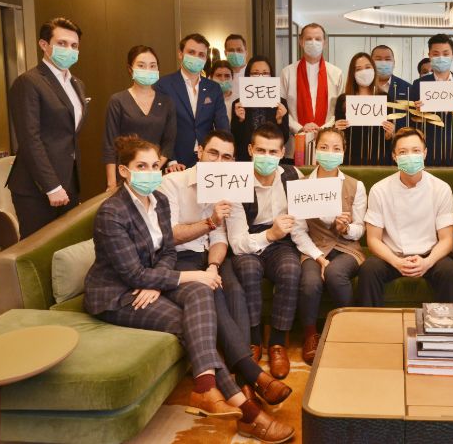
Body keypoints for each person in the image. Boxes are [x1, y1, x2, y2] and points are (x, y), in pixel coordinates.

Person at [83, 136, 293, 443]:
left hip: (150, 279)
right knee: (191, 322)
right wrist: (170, 277)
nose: (149, 173)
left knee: (200, 292)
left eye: (154, 166)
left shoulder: (157, 200)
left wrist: (161, 279)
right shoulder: (112, 212)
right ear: (124, 171)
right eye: (141, 166)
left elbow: (167, 250)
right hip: (117, 294)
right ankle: (246, 411)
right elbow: (131, 273)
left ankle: (208, 388)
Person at [158, 130, 295, 439]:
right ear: (199, 152)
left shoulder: (228, 184)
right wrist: (209, 221)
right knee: (215, 297)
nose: (219, 161)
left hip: (210, 258)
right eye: (213, 153)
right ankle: (252, 378)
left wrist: (213, 266)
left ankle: (246, 385)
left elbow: (221, 238)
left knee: (234, 291)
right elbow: (170, 235)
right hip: (177, 258)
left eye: (227, 157)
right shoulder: (173, 183)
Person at [226, 123, 303, 379]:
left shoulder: (293, 176)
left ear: (282, 152)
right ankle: (254, 338)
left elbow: (304, 218)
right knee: (248, 269)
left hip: (283, 242)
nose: (266, 157)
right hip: (250, 240)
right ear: (250, 150)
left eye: (272, 152)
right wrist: (269, 235)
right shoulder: (237, 182)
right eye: (260, 150)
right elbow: (237, 242)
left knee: (291, 269)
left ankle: (278, 342)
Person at [358, 127, 453, 306]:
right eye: (403, 152)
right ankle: (371, 322)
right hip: (392, 255)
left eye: (416, 151)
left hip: (430, 255)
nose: (410, 156)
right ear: (394, 156)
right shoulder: (379, 189)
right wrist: (397, 262)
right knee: (369, 269)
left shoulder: (441, 188)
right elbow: (373, 239)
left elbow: (446, 239)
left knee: (450, 272)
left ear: (425, 153)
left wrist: (427, 262)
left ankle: (449, 323)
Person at [8, 17, 88, 238]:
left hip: (69, 182)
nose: (69, 50)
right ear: (44, 45)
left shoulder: (77, 84)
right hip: (37, 187)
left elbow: (68, 135)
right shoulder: (29, 82)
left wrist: (68, 185)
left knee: (66, 247)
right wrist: (52, 186)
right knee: (38, 250)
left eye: (74, 45)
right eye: (62, 43)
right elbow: (29, 139)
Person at [293, 128, 366, 364]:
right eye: (324, 147)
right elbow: (298, 231)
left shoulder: (355, 185)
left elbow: (360, 229)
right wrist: (318, 257)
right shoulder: (302, 185)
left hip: (346, 248)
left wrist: (346, 229)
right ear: (316, 150)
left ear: (344, 152)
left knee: (335, 273)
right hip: (314, 247)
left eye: (336, 148)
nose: (330, 153)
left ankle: (351, 329)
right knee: (310, 282)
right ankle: (309, 335)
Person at [103, 45, 176, 190]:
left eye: (152, 66)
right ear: (130, 69)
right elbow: (109, 145)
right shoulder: (118, 101)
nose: (147, 70)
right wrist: (111, 183)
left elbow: (168, 144)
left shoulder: (166, 102)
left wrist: (151, 169)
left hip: (155, 177)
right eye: (141, 66)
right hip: (125, 175)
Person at [155, 33, 229, 169]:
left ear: (205, 59)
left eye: (201, 55)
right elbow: (160, 127)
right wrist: (171, 160)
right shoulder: (164, 85)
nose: (196, 57)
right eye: (191, 52)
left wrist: (225, 156)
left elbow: (222, 126)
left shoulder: (213, 88)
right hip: (176, 162)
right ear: (180, 54)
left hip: (209, 160)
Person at [412, 34, 453, 166]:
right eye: (436, 54)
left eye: (446, 53)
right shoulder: (419, 84)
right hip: (428, 150)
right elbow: (411, 121)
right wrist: (416, 111)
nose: (441, 57)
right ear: (429, 55)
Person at [280, 23, 343, 159]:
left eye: (318, 39)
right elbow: (282, 110)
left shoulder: (336, 73)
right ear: (301, 42)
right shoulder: (287, 73)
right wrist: (300, 128)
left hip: (328, 144)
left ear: (324, 42)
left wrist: (323, 129)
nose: (313, 42)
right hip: (295, 143)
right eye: (309, 39)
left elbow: (339, 111)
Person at [334, 52, 395, 165]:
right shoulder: (343, 100)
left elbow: (388, 139)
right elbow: (338, 138)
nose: (364, 72)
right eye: (358, 69)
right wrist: (336, 129)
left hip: (379, 161)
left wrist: (390, 134)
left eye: (367, 67)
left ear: (374, 70)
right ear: (353, 74)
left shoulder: (385, 98)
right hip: (349, 160)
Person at [230, 56, 289, 162]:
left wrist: (280, 120)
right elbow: (235, 138)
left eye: (265, 73)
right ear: (248, 75)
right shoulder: (239, 104)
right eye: (255, 73)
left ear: (271, 75)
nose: (261, 76)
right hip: (245, 159)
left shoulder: (280, 103)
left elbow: (285, 138)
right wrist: (240, 120)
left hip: (272, 159)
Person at [371, 44, 413, 133]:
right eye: (378, 59)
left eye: (387, 59)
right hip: (369, 137)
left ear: (394, 63)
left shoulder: (407, 88)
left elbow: (412, 119)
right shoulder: (363, 88)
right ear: (371, 62)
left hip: (399, 138)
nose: (383, 63)